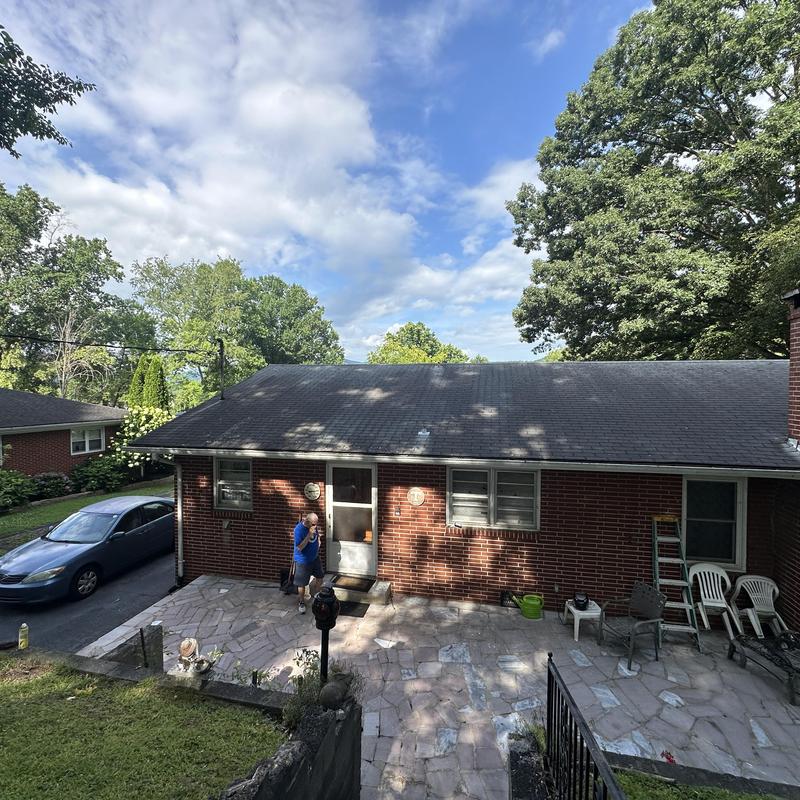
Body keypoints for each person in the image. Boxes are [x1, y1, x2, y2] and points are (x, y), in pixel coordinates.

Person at [293, 512, 323, 614]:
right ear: (307, 521)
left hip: (315, 558)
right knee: (302, 584)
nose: (315, 526)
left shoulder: (313, 527)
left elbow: (317, 537)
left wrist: (318, 541)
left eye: (316, 524)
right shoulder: (299, 530)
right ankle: (301, 602)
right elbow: (299, 547)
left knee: (320, 577)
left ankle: (316, 595)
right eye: (314, 524)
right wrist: (309, 534)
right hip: (303, 561)